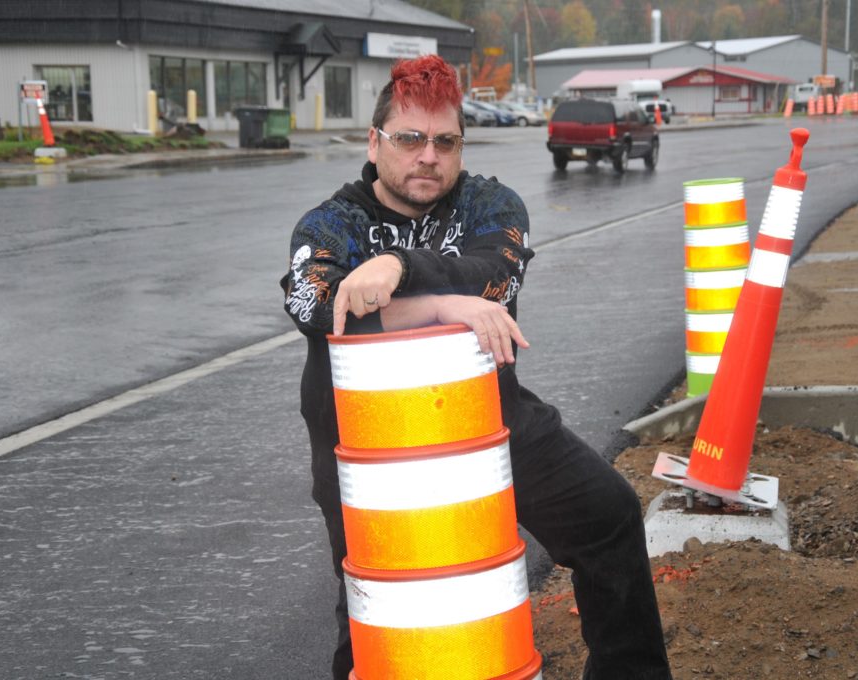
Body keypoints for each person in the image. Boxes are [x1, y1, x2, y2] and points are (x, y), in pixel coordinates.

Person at [280, 55, 672, 680]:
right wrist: (436, 303)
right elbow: (316, 304)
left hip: (494, 423)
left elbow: (496, 273)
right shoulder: (335, 223)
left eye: (445, 141)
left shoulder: (491, 205)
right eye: (409, 138)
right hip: (372, 455)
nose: (427, 155)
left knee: (612, 517)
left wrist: (399, 271)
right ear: (375, 141)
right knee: (378, 605)